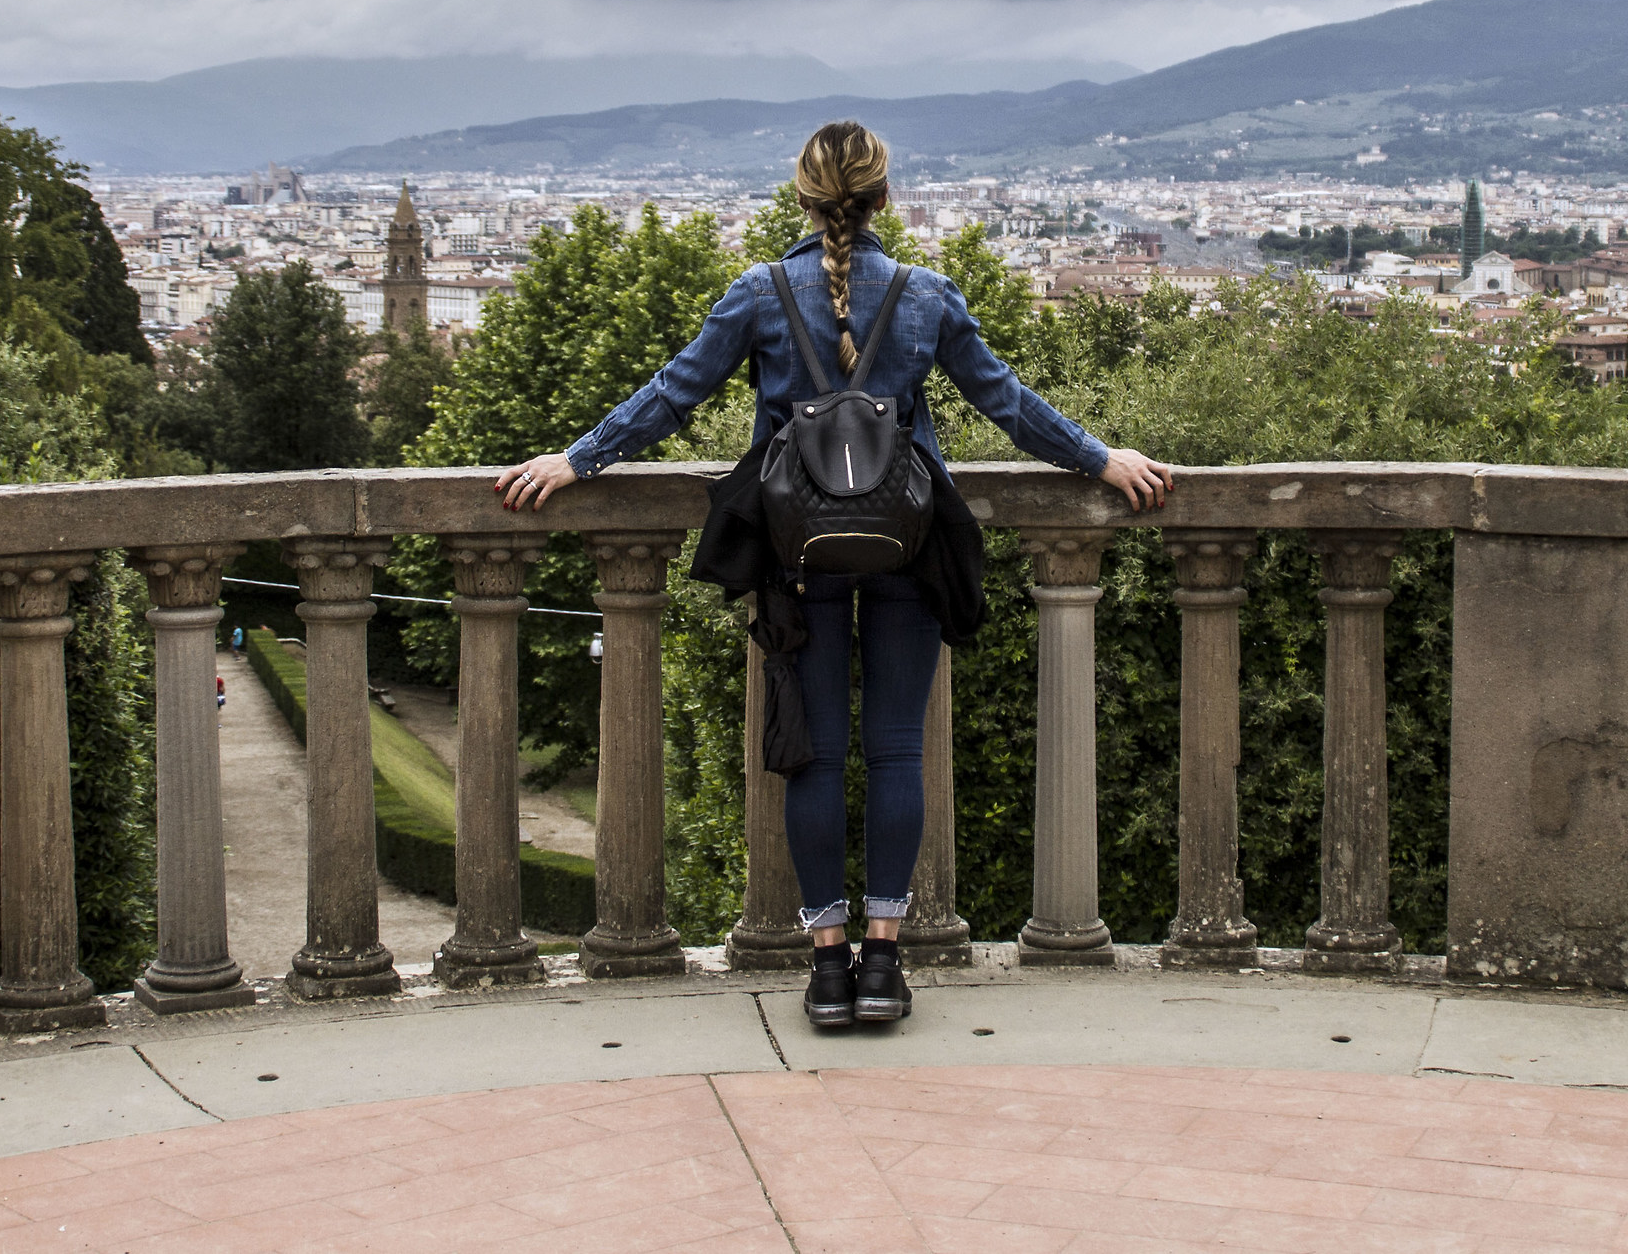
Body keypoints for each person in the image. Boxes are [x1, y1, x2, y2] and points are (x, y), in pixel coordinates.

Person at [492, 121, 1173, 1029]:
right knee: (896, 748)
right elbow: (1006, 402)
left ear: (803, 199)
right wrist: (1100, 459)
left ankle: (825, 968)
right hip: (905, 541)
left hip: (796, 550)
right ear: (883, 198)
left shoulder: (761, 291)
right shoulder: (928, 295)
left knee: (811, 754)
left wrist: (579, 458)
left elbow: (675, 391)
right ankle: (884, 961)